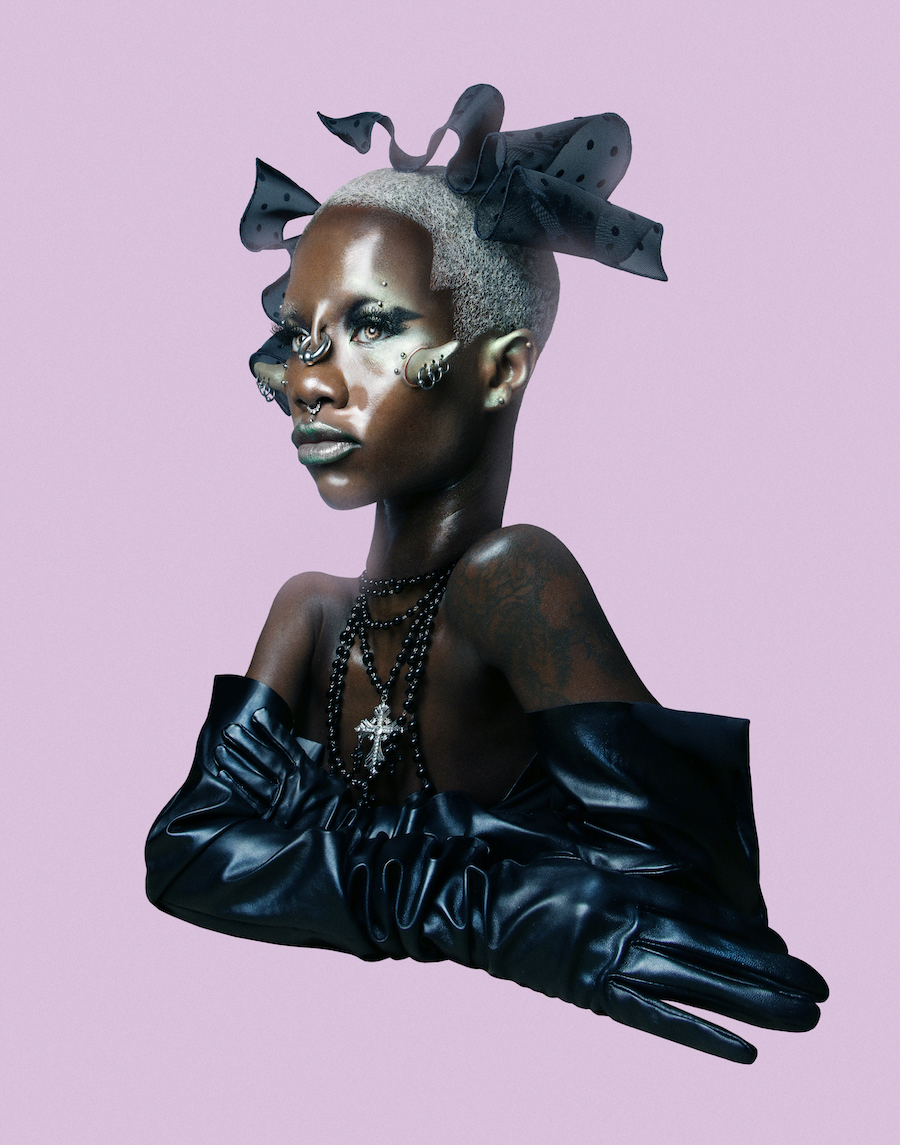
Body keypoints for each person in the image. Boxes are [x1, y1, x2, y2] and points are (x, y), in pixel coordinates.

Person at [146, 85, 827, 1064]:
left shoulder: (511, 585)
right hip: (304, 1063)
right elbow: (184, 851)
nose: (308, 380)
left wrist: (314, 842)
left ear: (502, 368)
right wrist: (493, 907)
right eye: (301, 334)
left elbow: (688, 902)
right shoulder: (310, 611)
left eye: (371, 325)